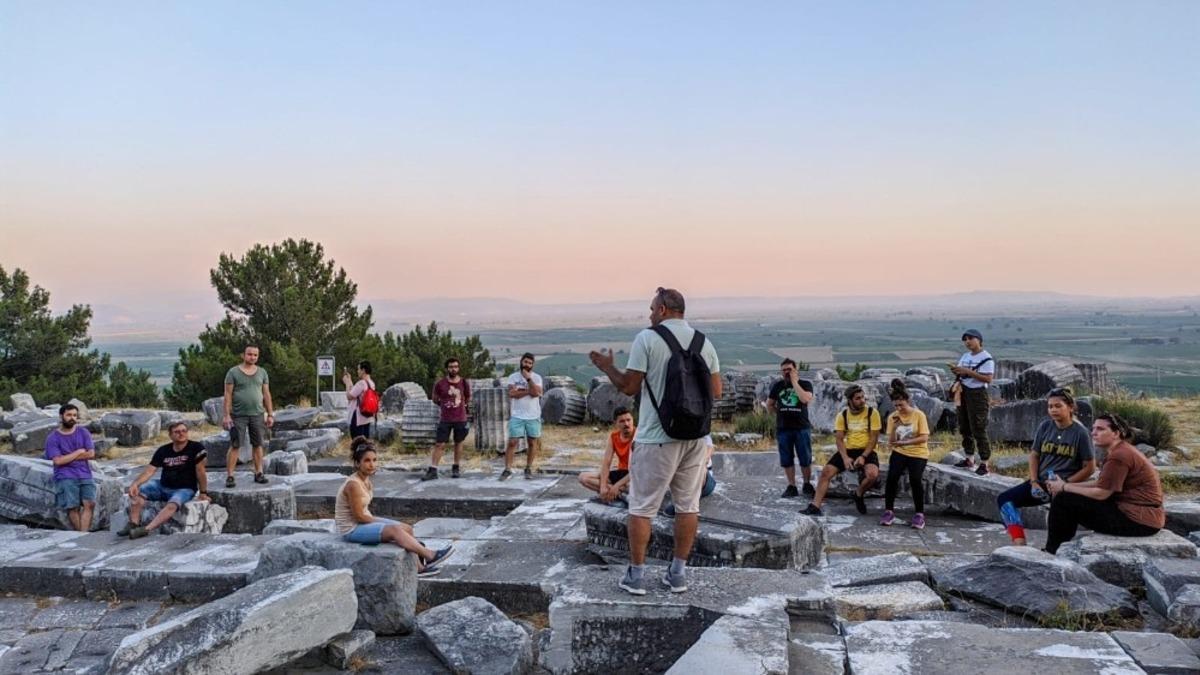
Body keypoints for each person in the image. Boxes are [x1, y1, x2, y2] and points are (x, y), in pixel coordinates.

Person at [589, 287, 721, 595]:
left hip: (656, 436)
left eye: (651, 309)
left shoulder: (647, 339)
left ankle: (635, 576)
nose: (649, 314)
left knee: (642, 507)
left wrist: (607, 367)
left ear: (662, 309)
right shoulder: (705, 342)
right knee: (688, 506)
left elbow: (630, 387)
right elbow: (717, 391)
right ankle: (677, 574)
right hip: (696, 438)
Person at [1044, 413, 1163, 554]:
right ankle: (1060, 548)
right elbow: (1102, 483)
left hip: (1138, 521)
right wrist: (1065, 486)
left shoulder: (1119, 456)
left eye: (1100, 429)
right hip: (1141, 516)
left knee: (1064, 500)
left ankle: (1052, 551)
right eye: (1093, 428)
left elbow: (1101, 493)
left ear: (1116, 433)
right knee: (1066, 496)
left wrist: (1064, 487)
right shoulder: (1121, 449)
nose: (1093, 433)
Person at [336, 437, 454, 577]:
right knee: (395, 530)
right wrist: (385, 524)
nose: (372, 464)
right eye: (367, 461)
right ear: (357, 463)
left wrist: (382, 522)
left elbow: (364, 514)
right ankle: (430, 555)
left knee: (407, 528)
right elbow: (359, 516)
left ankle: (419, 568)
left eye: (374, 460)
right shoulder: (353, 485)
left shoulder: (366, 480)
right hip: (351, 529)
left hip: (363, 521)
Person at [995, 387, 1096, 545]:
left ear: (1070, 407)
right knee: (1005, 499)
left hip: (1064, 486)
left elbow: (1089, 467)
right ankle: (1019, 541)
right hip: (1040, 483)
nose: (1053, 410)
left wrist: (1065, 484)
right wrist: (1034, 481)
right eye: (1050, 406)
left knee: (1057, 525)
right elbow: (1035, 455)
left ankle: (1052, 551)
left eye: (1058, 406)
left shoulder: (1080, 433)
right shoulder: (1045, 426)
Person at [119, 421, 210, 539]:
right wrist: (135, 484)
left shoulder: (196, 448)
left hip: (185, 488)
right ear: (170, 435)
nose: (181, 434)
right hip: (162, 486)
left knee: (173, 504)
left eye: (184, 431)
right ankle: (133, 524)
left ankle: (146, 529)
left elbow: (200, 471)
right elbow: (150, 471)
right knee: (137, 491)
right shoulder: (163, 450)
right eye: (177, 432)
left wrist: (203, 492)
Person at [802, 384, 882, 517]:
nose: (862, 400)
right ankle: (815, 506)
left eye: (863, 397)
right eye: (858, 398)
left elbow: (874, 438)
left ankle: (858, 494)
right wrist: (845, 458)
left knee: (872, 474)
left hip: (866, 449)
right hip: (849, 450)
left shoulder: (872, 413)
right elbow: (839, 439)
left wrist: (863, 456)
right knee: (826, 472)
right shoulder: (843, 415)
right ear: (850, 401)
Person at [879, 380, 931, 529]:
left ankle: (919, 514)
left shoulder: (918, 415)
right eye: (896, 405)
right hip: (899, 452)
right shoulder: (892, 417)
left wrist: (906, 443)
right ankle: (889, 510)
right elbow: (891, 441)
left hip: (918, 452)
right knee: (892, 477)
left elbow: (924, 437)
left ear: (907, 401)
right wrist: (895, 428)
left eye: (901, 404)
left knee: (915, 479)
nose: (899, 408)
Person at [223, 344, 275, 487]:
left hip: (257, 414)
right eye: (249, 354)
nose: (252, 357)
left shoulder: (262, 372)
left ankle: (258, 472)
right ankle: (230, 476)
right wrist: (226, 415)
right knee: (235, 444)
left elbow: (266, 394)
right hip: (238, 415)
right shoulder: (233, 372)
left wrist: (270, 414)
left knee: (258, 444)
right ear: (243, 355)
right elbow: (227, 394)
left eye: (255, 355)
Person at [43, 404, 97, 532]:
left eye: (74, 415)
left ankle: (84, 534)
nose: (72, 418)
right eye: (68, 415)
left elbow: (91, 454)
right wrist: (78, 452)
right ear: (61, 416)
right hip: (65, 476)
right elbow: (58, 461)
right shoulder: (53, 438)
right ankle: (81, 535)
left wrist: (66, 457)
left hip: (85, 474)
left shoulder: (83, 432)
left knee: (89, 504)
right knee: (73, 507)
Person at [767, 358, 815, 498]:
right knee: (786, 458)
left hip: (801, 427)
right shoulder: (778, 386)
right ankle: (791, 485)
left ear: (795, 370)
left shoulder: (805, 384)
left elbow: (805, 399)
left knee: (805, 457)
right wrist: (779, 412)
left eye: (789, 369)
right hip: (783, 428)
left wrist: (794, 382)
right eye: (784, 370)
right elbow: (770, 404)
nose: (786, 372)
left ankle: (807, 484)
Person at [950, 329, 995, 475]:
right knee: (964, 426)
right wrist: (957, 371)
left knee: (978, 427)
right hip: (963, 392)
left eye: (970, 338)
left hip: (977, 394)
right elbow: (963, 373)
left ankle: (984, 463)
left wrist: (967, 372)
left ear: (979, 340)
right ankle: (969, 458)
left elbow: (988, 378)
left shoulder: (986, 358)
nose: (967, 342)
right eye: (965, 339)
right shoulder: (965, 356)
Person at [423, 358, 471, 481]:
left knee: (458, 443)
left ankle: (456, 467)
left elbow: (467, 397)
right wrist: (445, 405)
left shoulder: (464, 382)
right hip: (445, 418)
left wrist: (461, 406)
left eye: (455, 366)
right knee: (439, 444)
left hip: (460, 418)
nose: (453, 369)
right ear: (447, 368)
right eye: (451, 367)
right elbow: (434, 398)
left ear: (458, 368)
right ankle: (433, 470)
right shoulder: (440, 384)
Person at [579, 406, 635, 503]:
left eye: (628, 420)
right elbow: (606, 463)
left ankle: (617, 492)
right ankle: (618, 494)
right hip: (621, 473)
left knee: (631, 486)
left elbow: (637, 469)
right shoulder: (614, 437)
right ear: (616, 423)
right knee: (583, 478)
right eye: (622, 421)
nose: (626, 424)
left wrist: (617, 485)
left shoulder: (638, 435)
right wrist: (603, 486)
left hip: (633, 476)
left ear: (632, 420)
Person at [501, 353, 542, 480]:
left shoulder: (537, 377)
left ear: (533, 365)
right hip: (517, 415)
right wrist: (529, 391)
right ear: (521, 362)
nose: (527, 365)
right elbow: (512, 394)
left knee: (532, 442)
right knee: (512, 442)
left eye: (530, 363)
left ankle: (528, 468)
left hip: (533, 415)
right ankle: (507, 469)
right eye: (525, 362)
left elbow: (537, 394)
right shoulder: (513, 377)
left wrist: (529, 380)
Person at [342, 360, 376, 441]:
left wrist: (347, 383)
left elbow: (349, 396)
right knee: (365, 443)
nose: (357, 371)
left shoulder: (361, 383)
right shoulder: (371, 383)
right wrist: (350, 380)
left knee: (356, 443)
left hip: (358, 418)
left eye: (358, 369)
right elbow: (355, 392)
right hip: (367, 417)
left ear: (363, 370)